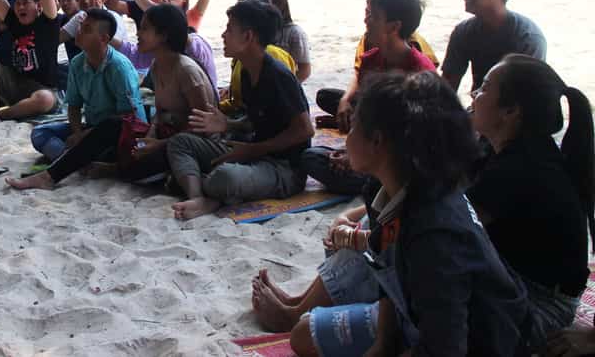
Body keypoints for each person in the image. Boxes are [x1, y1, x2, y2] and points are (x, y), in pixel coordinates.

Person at [252, 56, 595, 354]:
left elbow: (447, 336)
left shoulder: (495, 188)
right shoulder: (447, 176)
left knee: (367, 250)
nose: (474, 95)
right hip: (475, 292)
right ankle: (301, 306)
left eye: (484, 88)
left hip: (514, 308)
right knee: (371, 242)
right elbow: (393, 266)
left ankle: (297, 311)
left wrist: (354, 238)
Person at [289, 72, 529, 356]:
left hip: (481, 343)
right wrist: (381, 346)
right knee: (304, 334)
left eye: (352, 127)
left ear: (377, 141)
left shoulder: (435, 234)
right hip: (415, 319)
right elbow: (385, 272)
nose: (345, 138)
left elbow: (446, 346)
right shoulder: (389, 189)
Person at [9, 4, 216, 190]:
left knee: (117, 131)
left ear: (163, 35)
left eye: (144, 28)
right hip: (156, 138)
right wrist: (150, 137)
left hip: (184, 148)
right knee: (44, 133)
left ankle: (84, 166)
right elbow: (159, 115)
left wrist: (158, 144)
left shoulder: (186, 71)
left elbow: (204, 129)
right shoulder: (157, 66)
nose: (138, 33)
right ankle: (71, 167)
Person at [467, 54, 593, 347]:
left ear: (510, 111)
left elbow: (443, 225)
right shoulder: (499, 147)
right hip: (510, 277)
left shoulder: (522, 169)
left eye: (484, 88)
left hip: (540, 303)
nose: (474, 94)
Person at [166, 0, 313, 220]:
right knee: (180, 142)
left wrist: (253, 150)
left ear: (248, 37)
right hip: (253, 152)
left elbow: (305, 130)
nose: (223, 35)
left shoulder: (278, 76)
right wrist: (227, 124)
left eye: (229, 29)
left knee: (225, 177)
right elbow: (257, 120)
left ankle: (202, 187)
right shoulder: (246, 71)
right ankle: (198, 197)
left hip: (283, 168)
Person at [301, 0, 435, 195]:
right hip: (373, 146)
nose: (366, 21)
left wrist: (361, 158)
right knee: (311, 157)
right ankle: (372, 179)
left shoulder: (420, 70)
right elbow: (366, 117)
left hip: (403, 156)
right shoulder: (370, 59)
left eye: (373, 16)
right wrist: (351, 153)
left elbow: (419, 135)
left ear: (394, 26)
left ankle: (377, 182)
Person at [12, 9, 144, 181]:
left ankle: (73, 161)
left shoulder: (119, 67)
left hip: (119, 134)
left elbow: (126, 119)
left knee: (113, 147)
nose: (79, 32)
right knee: (39, 134)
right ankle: (79, 161)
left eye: (87, 30)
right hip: (89, 127)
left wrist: (84, 137)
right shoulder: (77, 62)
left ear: (104, 38)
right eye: (80, 27)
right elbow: (74, 105)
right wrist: (77, 133)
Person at [442, 0, 547, 93]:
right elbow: (447, 88)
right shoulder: (463, 32)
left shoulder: (527, 38)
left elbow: (526, 97)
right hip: (480, 108)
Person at [255, 0, 312, 82]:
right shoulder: (254, 31)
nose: (261, 7)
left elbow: (304, 70)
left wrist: (287, 87)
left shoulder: (294, 33)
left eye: (265, 3)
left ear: (280, 5)